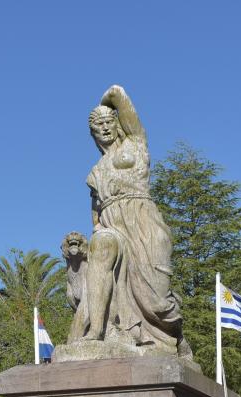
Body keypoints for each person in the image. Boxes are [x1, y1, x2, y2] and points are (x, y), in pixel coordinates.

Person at [73, 85, 188, 357]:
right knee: (100, 245)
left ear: (117, 123)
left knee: (158, 303)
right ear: (92, 133)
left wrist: (103, 104)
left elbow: (116, 93)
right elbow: (96, 218)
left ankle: (176, 339)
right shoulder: (96, 171)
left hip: (145, 225)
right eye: (97, 125)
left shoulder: (135, 143)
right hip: (114, 228)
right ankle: (96, 333)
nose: (103, 128)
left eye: (107, 122)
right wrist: (100, 233)